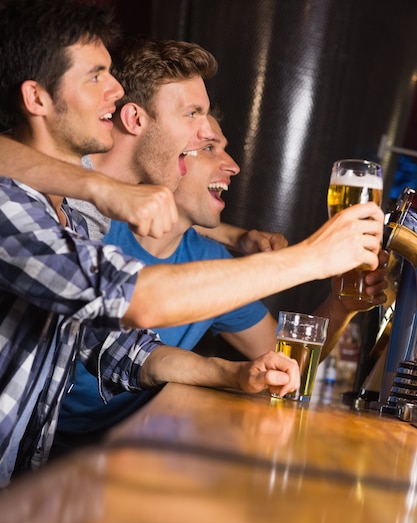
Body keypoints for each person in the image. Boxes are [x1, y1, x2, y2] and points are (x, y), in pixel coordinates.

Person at [0, 0, 384, 486]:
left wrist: (234, 374)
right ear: (37, 97)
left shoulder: (76, 216)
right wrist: (313, 257)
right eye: (97, 75)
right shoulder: (28, 202)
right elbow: (136, 298)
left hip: (38, 478)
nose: (115, 92)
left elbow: (119, 347)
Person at [54, 113, 388, 454]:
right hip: (48, 452)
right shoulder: (90, 227)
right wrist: (312, 256)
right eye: (210, 147)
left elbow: (283, 362)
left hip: (129, 452)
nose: (232, 165)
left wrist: (340, 306)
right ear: (173, 156)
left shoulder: (213, 264)